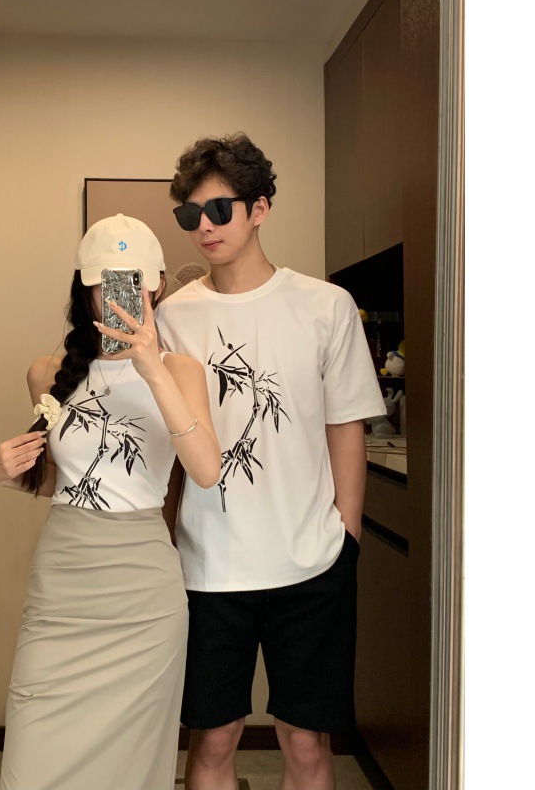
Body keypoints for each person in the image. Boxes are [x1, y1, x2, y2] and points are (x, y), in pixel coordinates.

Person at [155, 134, 386, 790]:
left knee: (307, 746)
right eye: (190, 214)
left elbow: (346, 426)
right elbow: (167, 448)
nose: (204, 226)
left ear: (260, 208)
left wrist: (347, 535)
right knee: (213, 741)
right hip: (208, 563)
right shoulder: (173, 317)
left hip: (311, 561)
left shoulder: (325, 306)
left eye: (218, 209)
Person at [0, 213, 221, 790]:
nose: (119, 296)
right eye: (105, 282)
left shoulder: (181, 371)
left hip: (144, 594)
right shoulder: (47, 372)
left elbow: (206, 470)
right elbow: (55, 480)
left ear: (155, 286)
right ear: (84, 287)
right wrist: (1, 472)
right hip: (63, 585)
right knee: (32, 764)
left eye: (132, 282)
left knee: (133, 770)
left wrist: (153, 370)